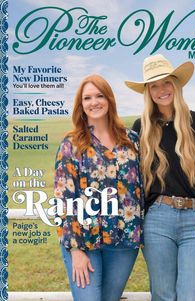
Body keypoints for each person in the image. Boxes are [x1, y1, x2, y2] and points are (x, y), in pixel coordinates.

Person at [125, 54, 195, 301]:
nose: (162, 90)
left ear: (176, 84)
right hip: (156, 221)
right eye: (154, 85)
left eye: (166, 82)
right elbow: (130, 179)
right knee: (162, 295)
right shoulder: (140, 128)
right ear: (148, 91)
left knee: (193, 296)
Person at [54, 74, 144, 301]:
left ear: (110, 99)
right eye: (87, 98)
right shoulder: (72, 144)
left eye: (99, 95)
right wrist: (75, 250)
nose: (94, 102)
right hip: (84, 242)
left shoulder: (131, 141)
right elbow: (63, 199)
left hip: (124, 242)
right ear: (81, 105)